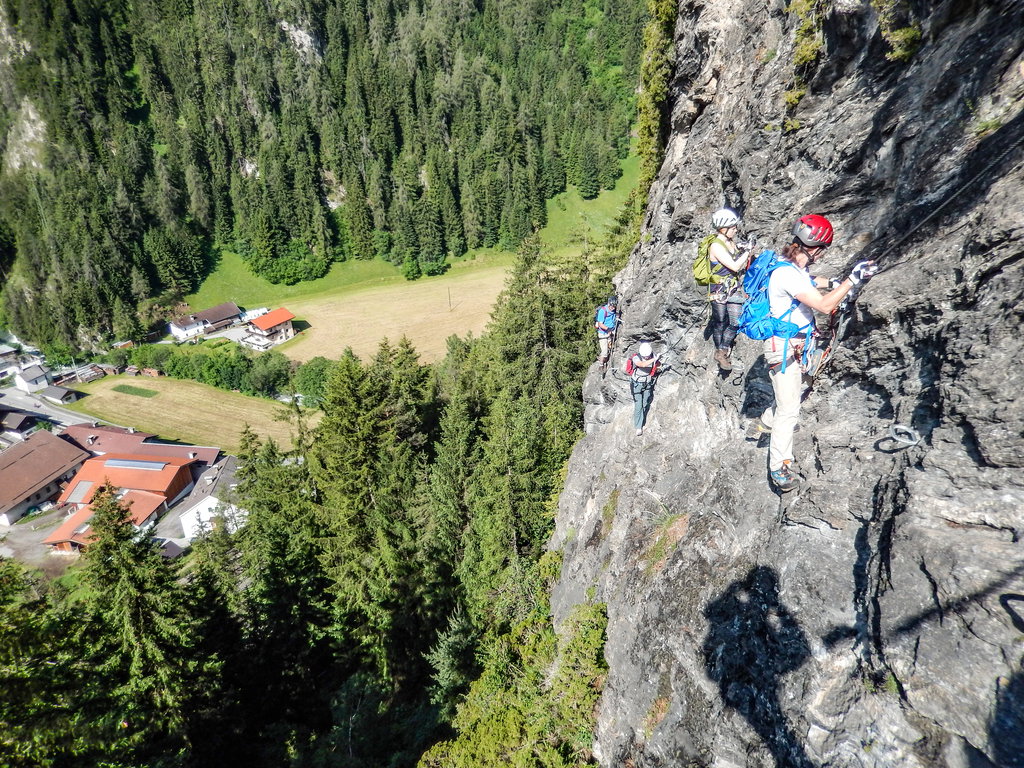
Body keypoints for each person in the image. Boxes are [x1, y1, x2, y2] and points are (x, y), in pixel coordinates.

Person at [756, 214, 878, 492]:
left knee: (795, 392)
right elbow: (823, 306)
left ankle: (764, 422)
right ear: (815, 247)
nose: (822, 255)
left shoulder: (790, 267)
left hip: (794, 345)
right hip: (784, 348)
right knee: (789, 410)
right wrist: (851, 280)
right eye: (822, 250)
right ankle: (779, 466)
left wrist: (833, 283)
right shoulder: (786, 273)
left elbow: (810, 281)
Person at [707, 208, 751, 372]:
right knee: (720, 321)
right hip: (719, 289)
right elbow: (734, 265)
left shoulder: (730, 242)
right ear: (723, 229)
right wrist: (747, 251)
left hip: (732, 287)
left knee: (735, 321)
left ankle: (723, 349)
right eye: (732, 227)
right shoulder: (716, 246)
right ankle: (721, 352)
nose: (735, 229)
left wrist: (742, 248)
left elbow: (734, 257)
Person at [625, 341, 660, 436]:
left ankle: (642, 421)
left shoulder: (653, 356)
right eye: (645, 356)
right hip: (636, 385)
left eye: (647, 356)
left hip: (647, 384)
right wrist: (653, 359)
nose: (646, 357)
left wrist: (658, 361)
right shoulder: (636, 357)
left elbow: (657, 365)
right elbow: (642, 364)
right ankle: (638, 427)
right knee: (638, 406)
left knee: (645, 404)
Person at [594, 295, 619, 370]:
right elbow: (600, 324)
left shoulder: (613, 311)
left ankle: (605, 360)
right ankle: (601, 365)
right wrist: (608, 330)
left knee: (610, 347)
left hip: (610, 331)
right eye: (612, 306)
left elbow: (615, 317)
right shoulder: (603, 311)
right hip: (603, 333)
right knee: (604, 352)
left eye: (614, 306)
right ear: (609, 304)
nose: (613, 308)